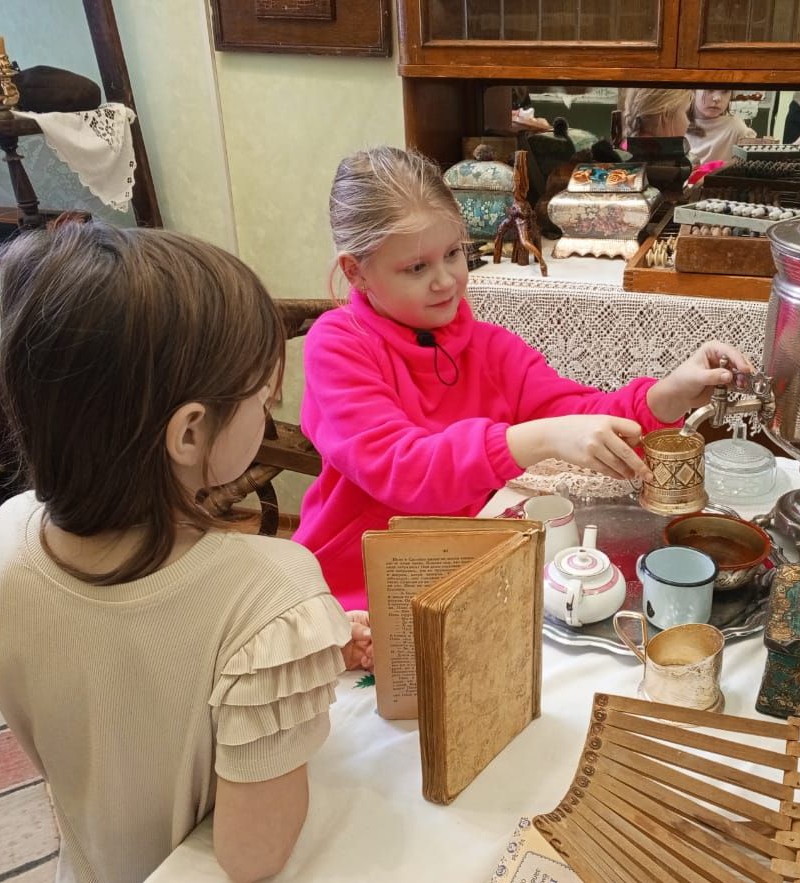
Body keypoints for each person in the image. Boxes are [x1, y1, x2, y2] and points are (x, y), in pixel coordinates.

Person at [0, 222, 366, 883]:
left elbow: (118, 693)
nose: (270, 414)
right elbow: (254, 857)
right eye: (261, 400)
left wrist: (293, 671)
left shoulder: (6, 537)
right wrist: (286, 667)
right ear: (189, 435)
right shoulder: (271, 592)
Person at [294, 146, 752, 609]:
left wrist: (667, 395)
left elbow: (579, 412)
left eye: (454, 253)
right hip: (359, 587)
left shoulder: (487, 347)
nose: (446, 281)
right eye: (417, 267)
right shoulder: (338, 345)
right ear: (357, 273)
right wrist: (537, 439)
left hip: (465, 569)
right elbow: (402, 469)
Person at [686, 88, 760, 168]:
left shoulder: (737, 128)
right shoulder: (676, 124)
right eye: (709, 89)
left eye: (725, 91)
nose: (717, 98)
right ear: (693, 90)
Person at [619, 87, 693, 141]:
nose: (688, 123)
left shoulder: (622, 152)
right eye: (686, 112)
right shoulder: (671, 160)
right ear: (666, 113)